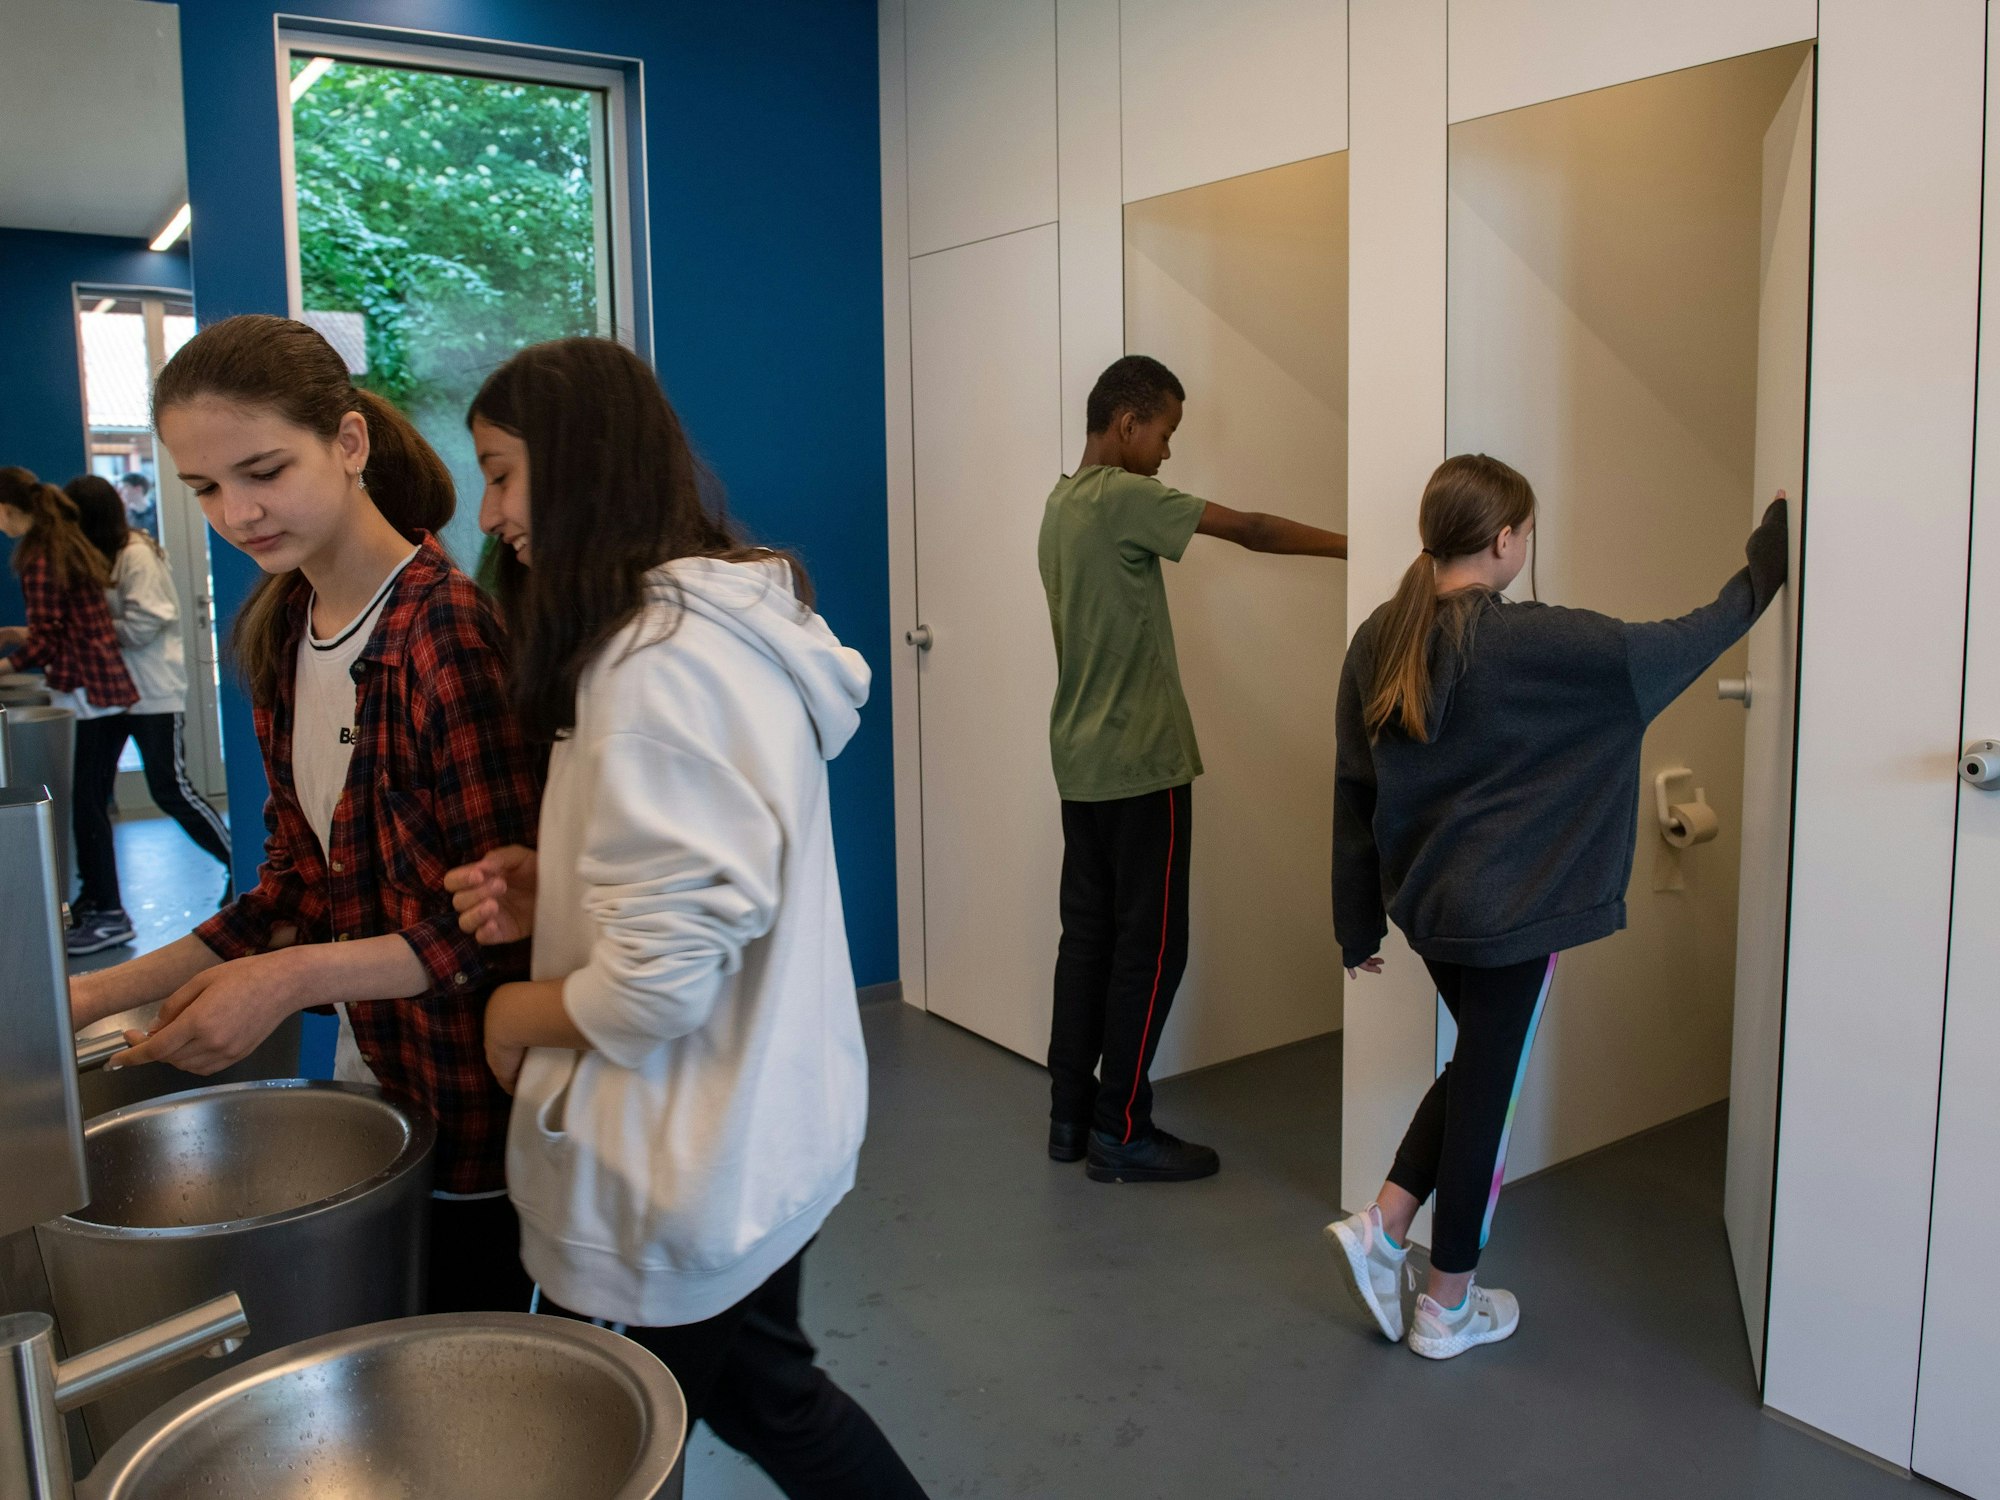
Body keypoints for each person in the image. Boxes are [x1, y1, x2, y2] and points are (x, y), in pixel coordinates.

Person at [444, 337, 927, 1499]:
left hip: (686, 1155)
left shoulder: (648, 671)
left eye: (502, 474)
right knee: (767, 1397)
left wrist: (508, 1015)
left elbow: (657, 987)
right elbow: (719, 873)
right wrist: (564, 882)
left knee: (636, 1437)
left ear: (579, 465)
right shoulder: (715, 632)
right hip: (753, 1124)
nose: (490, 512)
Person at [69, 314, 544, 1315]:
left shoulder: (445, 633)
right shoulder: (288, 623)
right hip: (377, 1076)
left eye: (264, 471)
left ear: (349, 443)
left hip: (471, 1112)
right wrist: (92, 996)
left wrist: (287, 979)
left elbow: (493, 930)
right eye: (204, 488)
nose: (237, 513)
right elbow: (295, 887)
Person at [1326, 453, 1788, 1360]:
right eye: (1526, 534)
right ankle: (1446, 1306)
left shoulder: (1378, 635)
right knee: (1487, 1095)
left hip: (1429, 909)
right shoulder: (1544, 642)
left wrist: (1356, 923)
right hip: (1512, 917)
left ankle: (1383, 1227)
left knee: (1476, 1068)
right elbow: (1696, 635)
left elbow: (1353, 787)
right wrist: (1770, 550)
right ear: (1505, 541)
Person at [1041, 354, 1348, 1184]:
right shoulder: (1123, 496)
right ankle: (1122, 1130)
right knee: (1153, 949)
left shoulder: (1059, 505)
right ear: (1127, 422)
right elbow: (1253, 529)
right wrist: (1359, 547)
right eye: (1166, 432)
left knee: (1089, 938)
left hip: (1081, 762)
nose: (1168, 452)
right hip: (1142, 762)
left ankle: (1070, 1117)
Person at [64, 474, 233, 909]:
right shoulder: (99, 557)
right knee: (89, 794)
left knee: (170, 789)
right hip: (109, 696)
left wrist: (89, 628)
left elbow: (147, 622)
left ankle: (239, 861)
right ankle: (97, 896)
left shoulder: (136, 554)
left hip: (153, 694)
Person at [0, 466, 140, 952]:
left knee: (88, 809)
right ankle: (94, 900)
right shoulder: (59, 545)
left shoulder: (41, 556)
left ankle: (110, 913)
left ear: (9, 510)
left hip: (89, 697)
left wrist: (6, 664)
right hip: (99, 691)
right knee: (89, 805)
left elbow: (47, 640)